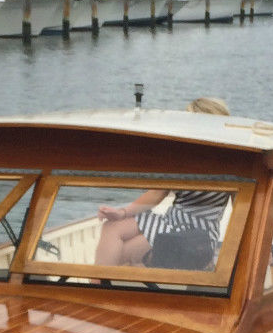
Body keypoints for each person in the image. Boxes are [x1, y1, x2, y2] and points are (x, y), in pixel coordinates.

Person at [95, 98, 231, 268]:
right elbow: (156, 194)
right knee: (111, 227)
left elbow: (245, 209)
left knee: (122, 255)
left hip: (197, 235)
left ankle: (100, 288)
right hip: (171, 222)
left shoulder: (231, 162)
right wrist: (122, 212)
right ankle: (97, 286)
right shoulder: (183, 156)